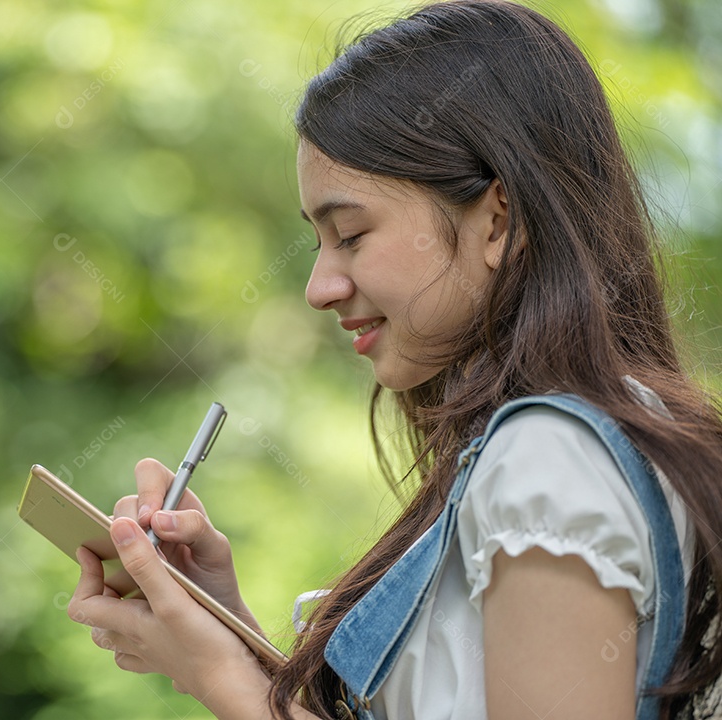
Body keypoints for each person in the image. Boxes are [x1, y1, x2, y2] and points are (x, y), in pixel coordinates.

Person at [65, 1, 722, 718]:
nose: (319, 288)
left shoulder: (547, 461)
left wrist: (222, 680)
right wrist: (229, 636)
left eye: (349, 234)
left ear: (497, 219)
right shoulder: (584, 442)